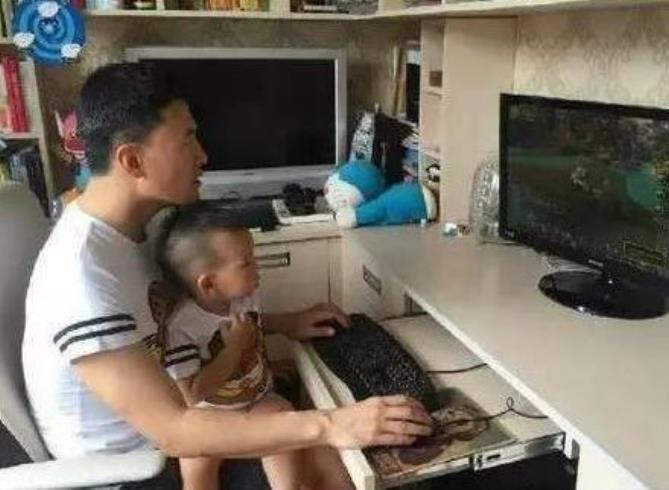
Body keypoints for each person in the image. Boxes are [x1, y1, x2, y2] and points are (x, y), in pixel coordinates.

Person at [22, 62, 431, 487]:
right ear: (132, 160)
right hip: (137, 468)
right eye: (187, 139)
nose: (203, 155)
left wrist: (283, 323)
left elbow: (193, 321)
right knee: (337, 455)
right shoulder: (82, 277)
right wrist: (333, 424)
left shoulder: (145, 227)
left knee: (331, 436)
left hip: (176, 428)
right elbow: (174, 429)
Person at [156, 201, 352, 490]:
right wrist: (234, 349)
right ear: (208, 285)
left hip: (258, 400)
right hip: (209, 415)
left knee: (282, 421)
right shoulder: (182, 327)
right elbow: (191, 394)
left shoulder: (244, 295)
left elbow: (256, 325)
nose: (256, 267)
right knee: (195, 466)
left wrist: (289, 324)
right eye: (246, 263)